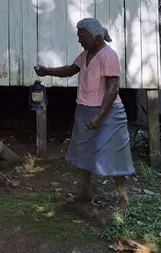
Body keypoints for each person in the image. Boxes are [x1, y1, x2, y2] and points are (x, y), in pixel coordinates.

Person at [35, 18, 134, 211]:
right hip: (84, 109)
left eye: (82, 37)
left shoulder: (108, 55)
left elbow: (112, 89)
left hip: (107, 113)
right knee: (83, 152)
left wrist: (99, 117)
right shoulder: (87, 53)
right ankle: (85, 190)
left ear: (96, 37)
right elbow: (71, 70)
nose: (80, 41)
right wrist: (47, 71)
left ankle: (123, 196)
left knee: (115, 155)